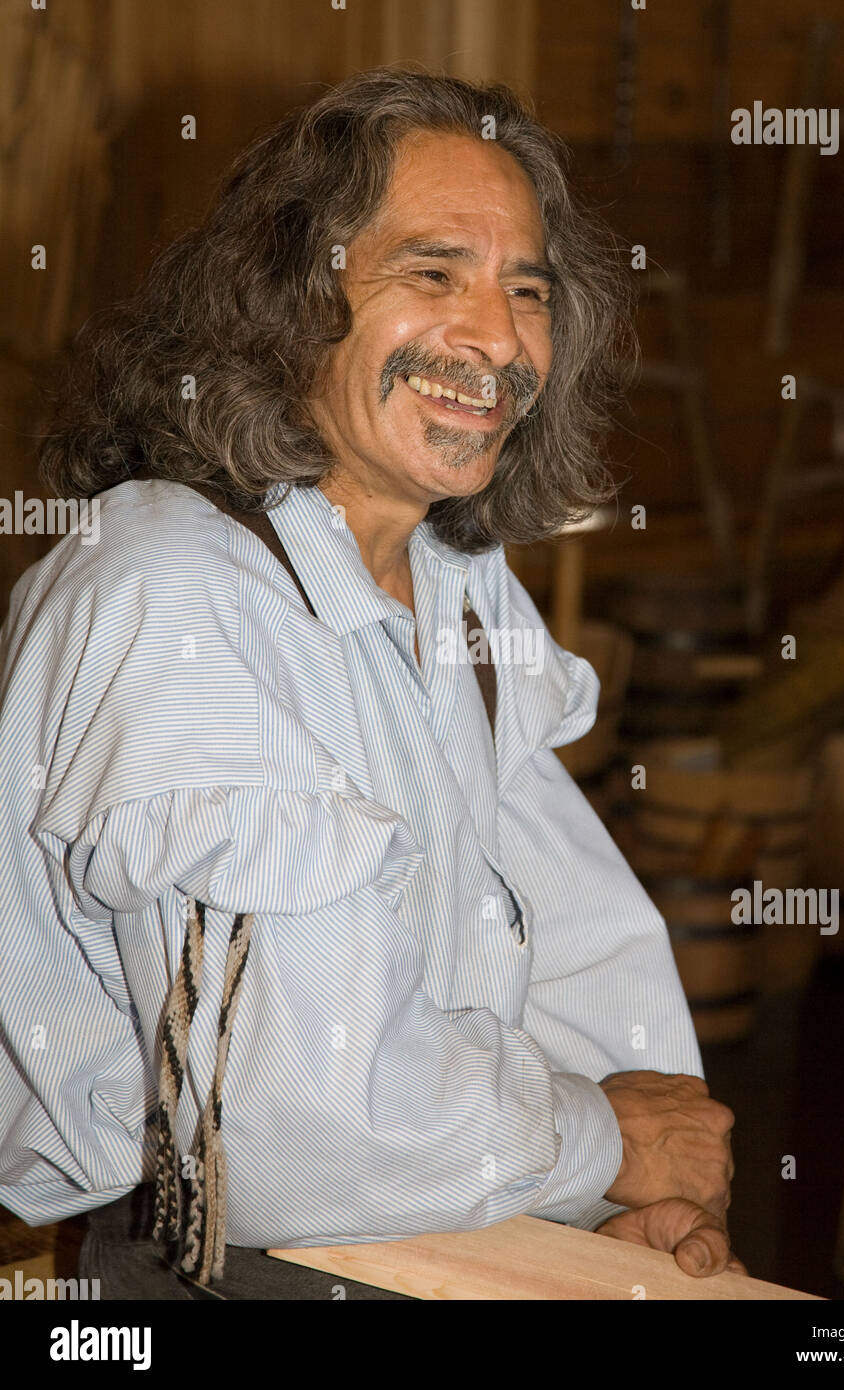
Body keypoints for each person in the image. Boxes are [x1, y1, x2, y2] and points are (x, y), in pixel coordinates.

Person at [0, 68, 739, 1300]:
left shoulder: (452, 571)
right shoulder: (172, 594)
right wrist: (605, 1140)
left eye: (525, 290)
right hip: (216, 1270)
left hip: (435, 1225)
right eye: (433, 273)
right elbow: (293, 1136)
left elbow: (567, 925)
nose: (497, 338)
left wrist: (641, 1192)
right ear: (291, 303)